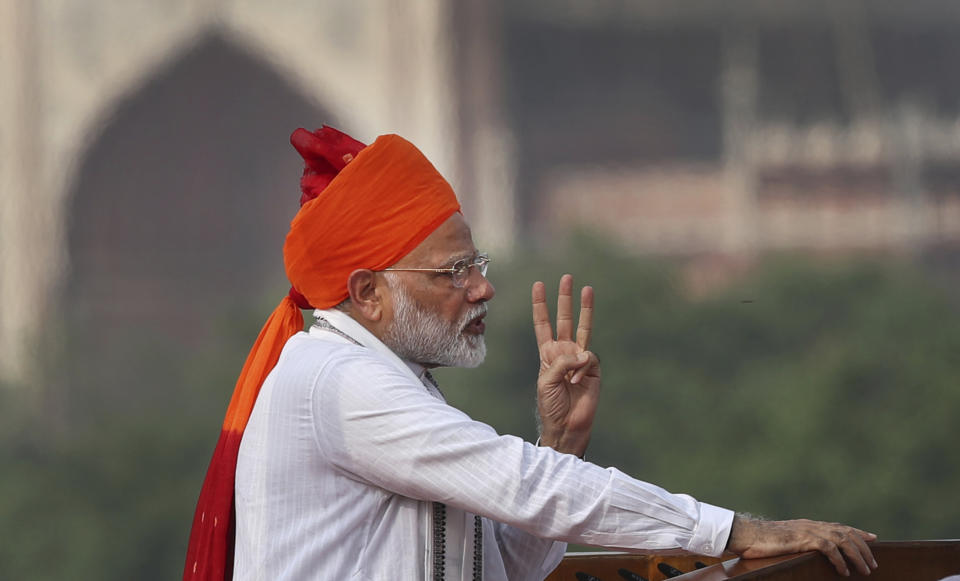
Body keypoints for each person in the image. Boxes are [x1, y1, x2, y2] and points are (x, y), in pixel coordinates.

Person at [184, 126, 878, 581]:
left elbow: (501, 567)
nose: (484, 286)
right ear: (368, 292)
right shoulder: (333, 379)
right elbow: (523, 483)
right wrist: (735, 531)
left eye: (476, 262)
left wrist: (558, 442)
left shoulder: (390, 383)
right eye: (453, 271)